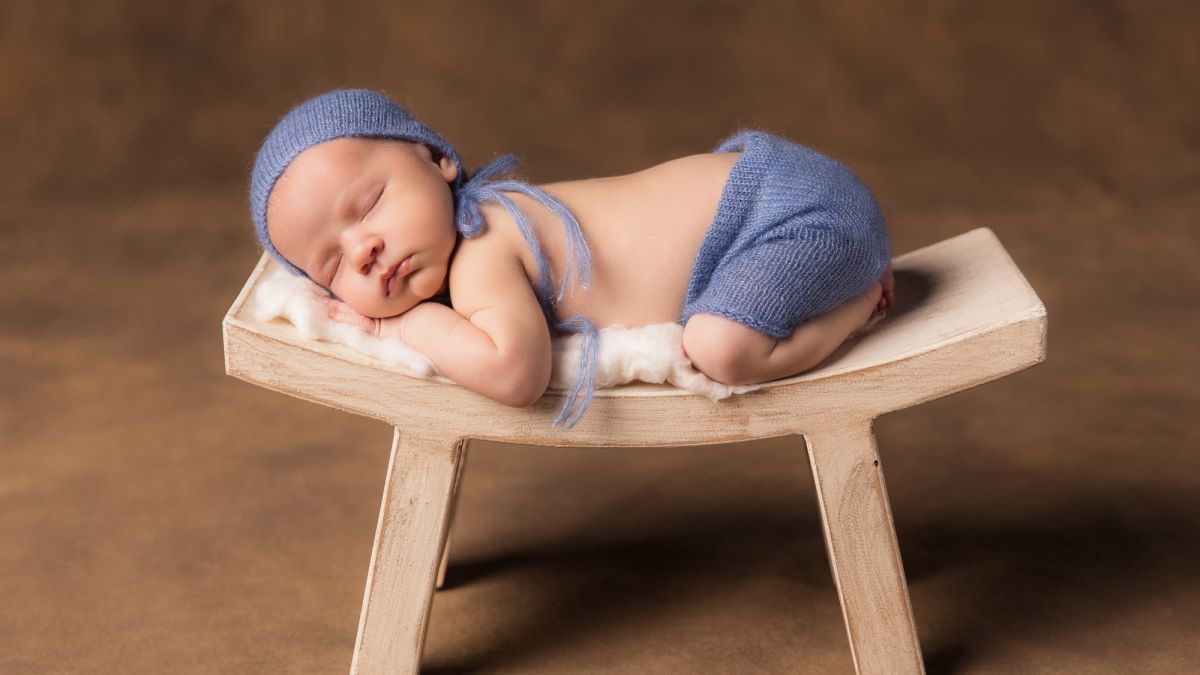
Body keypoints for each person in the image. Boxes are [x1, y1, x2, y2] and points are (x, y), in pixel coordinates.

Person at [250, 89, 895, 430]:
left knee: (722, 349)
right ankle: (844, 278)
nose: (362, 251)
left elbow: (514, 373)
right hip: (767, 188)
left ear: (437, 159)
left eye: (369, 204)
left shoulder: (483, 242)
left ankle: (860, 296)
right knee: (719, 335)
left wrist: (402, 323)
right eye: (331, 267)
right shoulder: (474, 238)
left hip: (785, 213)